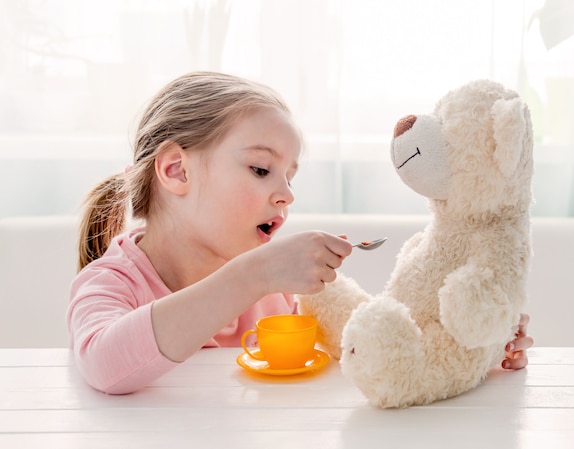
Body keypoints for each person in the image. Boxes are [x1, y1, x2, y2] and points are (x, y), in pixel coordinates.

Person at [67, 71, 533, 395]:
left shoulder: (278, 295)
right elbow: (105, 365)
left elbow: (363, 351)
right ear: (176, 171)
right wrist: (255, 276)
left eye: (291, 177)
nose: (286, 195)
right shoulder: (110, 284)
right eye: (260, 168)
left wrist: (463, 343)